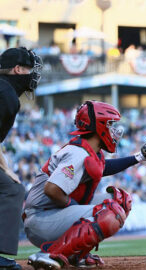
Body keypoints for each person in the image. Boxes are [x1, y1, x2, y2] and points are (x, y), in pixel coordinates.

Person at [24, 100, 146, 269]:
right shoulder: (77, 153)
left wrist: (139, 157)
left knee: (120, 200)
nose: (114, 130)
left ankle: (77, 255)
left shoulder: (88, 150)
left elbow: (104, 167)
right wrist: (73, 207)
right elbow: (52, 190)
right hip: (40, 218)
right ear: (99, 126)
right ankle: (52, 255)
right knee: (110, 211)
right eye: (110, 125)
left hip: (51, 214)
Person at [0, 47, 42, 270]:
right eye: (28, 69)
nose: (33, 75)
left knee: (9, 184)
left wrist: (5, 168)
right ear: (17, 69)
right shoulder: (6, 94)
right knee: (12, 189)